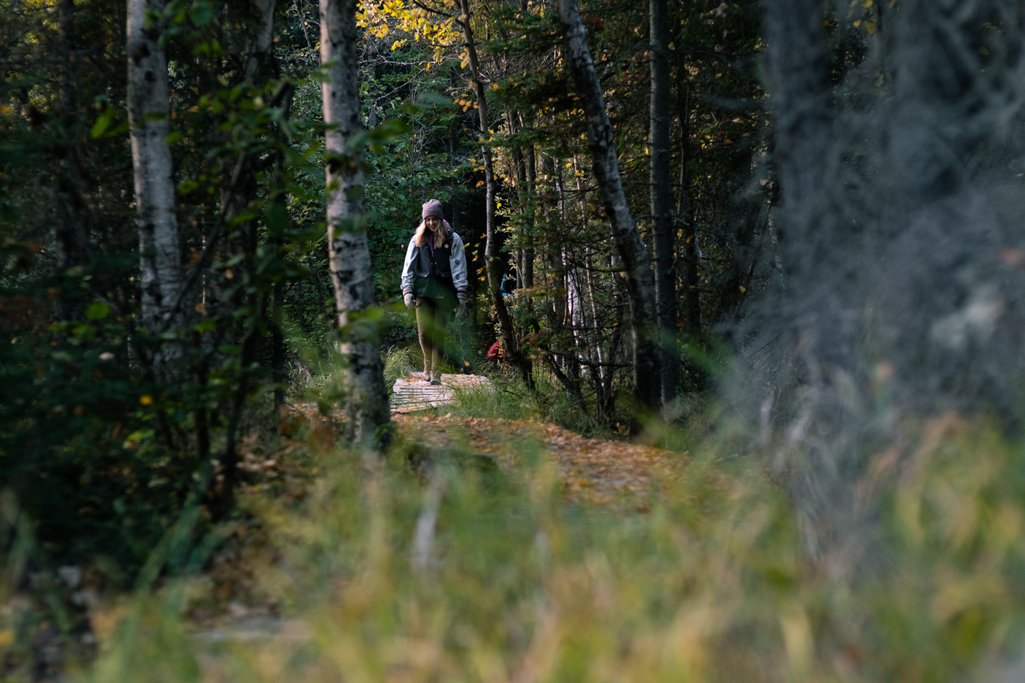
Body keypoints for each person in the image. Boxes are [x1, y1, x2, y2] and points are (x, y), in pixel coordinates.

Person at [400, 199, 469, 385]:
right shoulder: (417, 240)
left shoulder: (452, 239)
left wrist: (461, 295)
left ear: (440, 219)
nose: (431, 223)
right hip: (423, 292)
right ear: (424, 220)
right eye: (428, 219)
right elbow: (409, 267)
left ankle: (436, 372)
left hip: (445, 293)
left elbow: (459, 267)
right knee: (424, 333)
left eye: (434, 219)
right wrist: (407, 290)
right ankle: (427, 366)